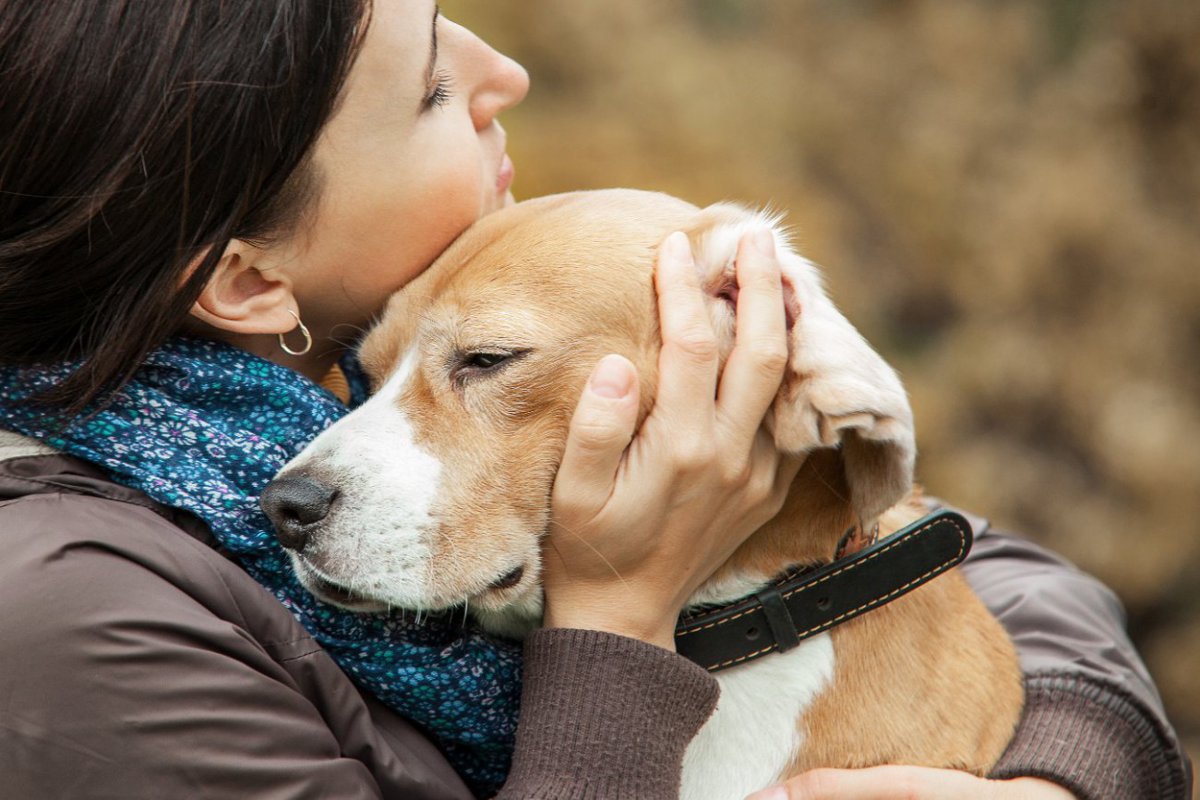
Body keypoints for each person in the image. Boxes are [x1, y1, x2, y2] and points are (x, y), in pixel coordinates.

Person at [0, 2, 1190, 798]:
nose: (503, 71)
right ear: (250, 277)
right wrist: (619, 615)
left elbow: (961, 556)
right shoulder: (69, 623)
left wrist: (1056, 773)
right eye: (425, 90)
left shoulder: (397, 344)